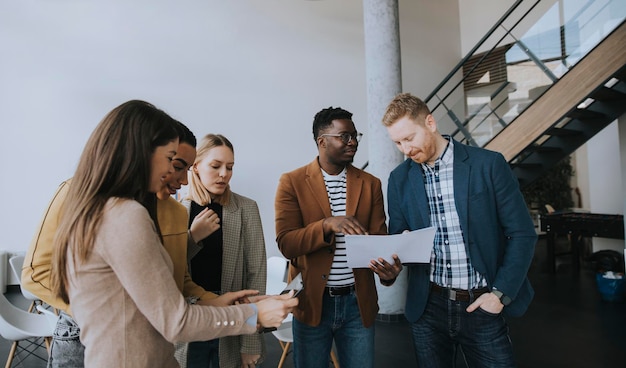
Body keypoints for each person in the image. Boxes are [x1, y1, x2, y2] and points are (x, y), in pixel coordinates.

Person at [49, 100, 297, 367]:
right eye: (170, 159)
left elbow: (144, 309)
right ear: (141, 151)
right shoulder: (126, 216)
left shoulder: (97, 209)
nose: (172, 173)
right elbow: (175, 321)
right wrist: (253, 315)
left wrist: (218, 305)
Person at [22, 121, 244, 368]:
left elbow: (176, 282)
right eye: (176, 164)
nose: (183, 181)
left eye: (187, 169)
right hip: (82, 337)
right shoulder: (74, 193)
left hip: (146, 342)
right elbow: (35, 273)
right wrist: (104, 315)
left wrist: (216, 301)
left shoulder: (176, 213)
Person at [381, 93, 537, 367]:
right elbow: (399, 237)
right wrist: (396, 258)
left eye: (409, 138)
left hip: (481, 305)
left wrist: (499, 295)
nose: (405, 149)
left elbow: (522, 234)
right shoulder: (399, 179)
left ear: (430, 122)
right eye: (397, 143)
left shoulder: (488, 164)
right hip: (428, 307)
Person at [274, 106, 402, 368]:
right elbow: (287, 243)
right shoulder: (292, 182)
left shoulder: (370, 184)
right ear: (322, 141)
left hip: (358, 302)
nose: (352, 142)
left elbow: (379, 240)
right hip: (312, 301)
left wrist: (388, 273)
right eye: (344, 136)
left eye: (355, 136)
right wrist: (327, 225)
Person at [184, 133, 267, 368]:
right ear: (196, 166)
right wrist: (193, 237)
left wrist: (251, 342)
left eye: (229, 167)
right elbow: (169, 270)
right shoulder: (177, 210)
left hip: (232, 319)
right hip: (190, 319)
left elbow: (256, 276)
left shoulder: (246, 209)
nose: (224, 174)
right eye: (216, 166)